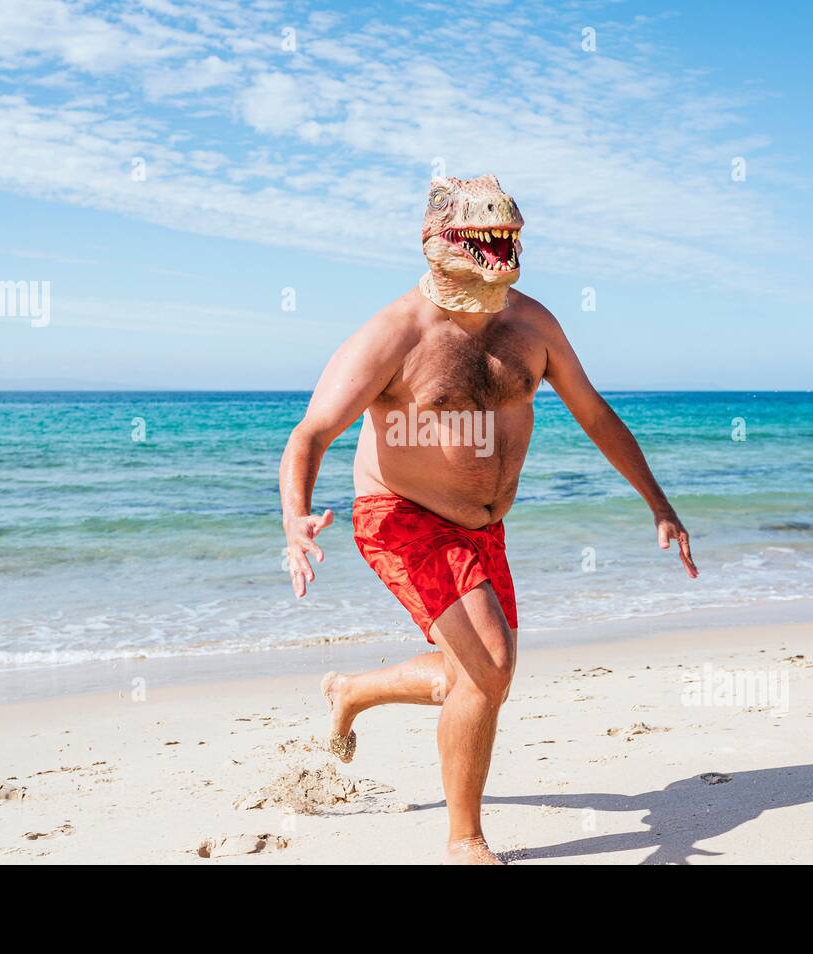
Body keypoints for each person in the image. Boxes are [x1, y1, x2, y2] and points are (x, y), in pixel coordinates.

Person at [278, 175, 697, 864]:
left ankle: (351, 691)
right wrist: (294, 518)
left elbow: (593, 413)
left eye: (505, 234)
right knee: (491, 667)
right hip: (402, 516)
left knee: (470, 673)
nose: (501, 244)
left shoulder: (532, 324)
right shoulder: (394, 333)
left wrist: (659, 503)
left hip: (482, 527)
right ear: (435, 242)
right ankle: (464, 840)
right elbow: (311, 434)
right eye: (481, 234)